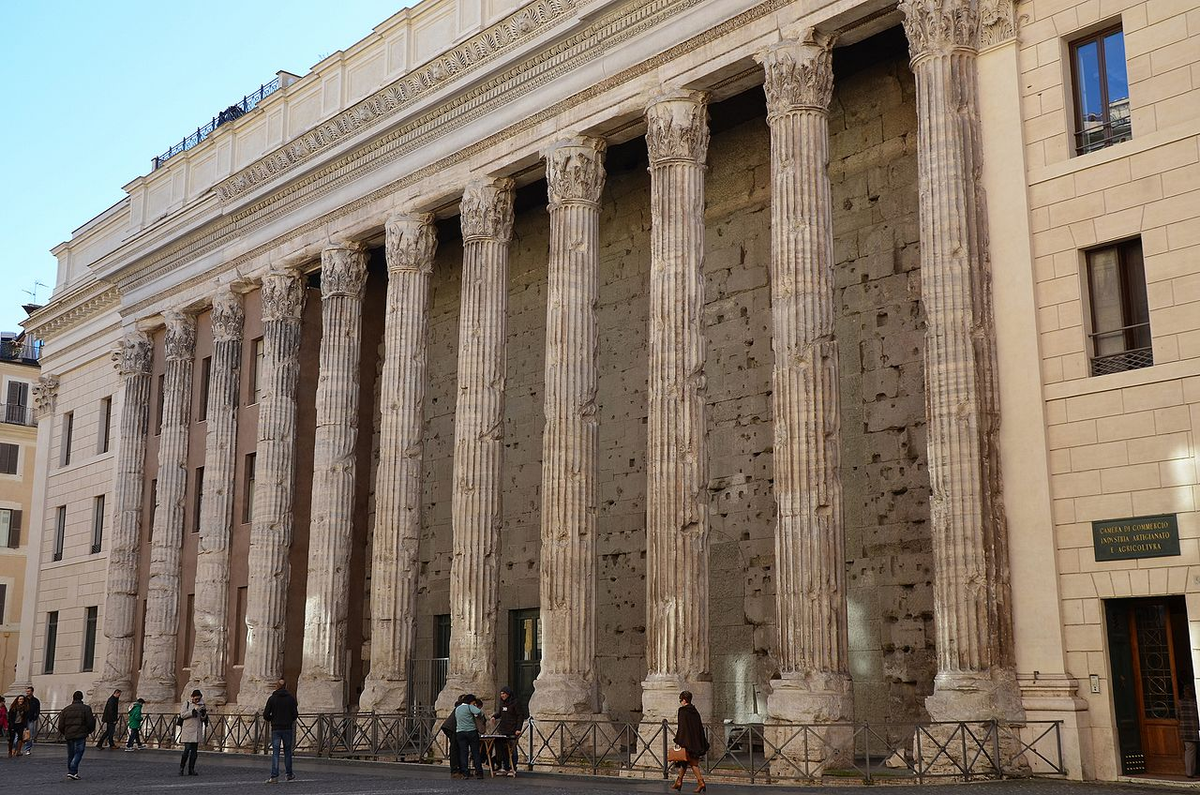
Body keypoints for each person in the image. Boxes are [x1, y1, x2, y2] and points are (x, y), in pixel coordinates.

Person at [263, 678, 299, 783]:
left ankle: (274, 776)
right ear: (286, 687)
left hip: (276, 728)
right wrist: (289, 720)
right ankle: (289, 774)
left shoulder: (272, 699)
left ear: (276, 686)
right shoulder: (291, 699)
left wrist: (272, 719)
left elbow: (266, 714)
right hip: (287, 728)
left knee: (276, 752)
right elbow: (295, 715)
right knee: (288, 752)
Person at [672, 691, 708, 793]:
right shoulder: (694, 711)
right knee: (684, 762)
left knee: (693, 763)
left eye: (681, 700)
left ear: (684, 700)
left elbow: (682, 727)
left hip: (687, 741)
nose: (680, 702)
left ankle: (701, 783)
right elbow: (698, 727)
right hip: (695, 741)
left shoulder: (683, 711)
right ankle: (678, 781)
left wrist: (678, 740)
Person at [60, 691, 96, 781]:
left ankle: (72, 772)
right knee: (79, 752)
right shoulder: (86, 708)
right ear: (82, 698)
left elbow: (61, 724)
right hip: (81, 733)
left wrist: (65, 732)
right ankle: (72, 770)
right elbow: (90, 722)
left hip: (69, 734)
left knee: (71, 754)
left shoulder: (66, 709)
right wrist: (88, 731)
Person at [492, 686, 524, 777]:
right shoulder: (502, 703)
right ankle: (505, 766)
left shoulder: (515, 702)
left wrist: (518, 728)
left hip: (513, 729)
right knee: (504, 749)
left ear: (508, 694)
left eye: (504, 694)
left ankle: (512, 767)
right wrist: (494, 716)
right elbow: (500, 713)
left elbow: (520, 716)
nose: (502, 695)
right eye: (501, 694)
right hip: (504, 729)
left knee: (513, 749)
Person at [453, 692, 486, 779]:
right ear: (471, 701)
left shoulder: (458, 708)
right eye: (474, 702)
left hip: (460, 732)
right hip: (471, 731)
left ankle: (465, 773)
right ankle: (479, 772)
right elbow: (479, 712)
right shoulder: (469, 707)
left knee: (463, 753)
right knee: (475, 752)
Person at [178, 689, 207, 776]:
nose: (197, 700)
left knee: (194, 752)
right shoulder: (187, 703)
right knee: (187, 750)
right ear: (192, 697)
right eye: (196, 699)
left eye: (199, 699)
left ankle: (191, 769)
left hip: (196, 731)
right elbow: (182, 715)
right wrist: (193, 711)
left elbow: (203, 719)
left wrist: (203, 714)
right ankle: (181, 768)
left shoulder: (202, 704)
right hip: (188, 730)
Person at [441, 695, 466, 778]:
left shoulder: (458, 707)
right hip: (453, 728)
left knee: (455, 749)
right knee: (454, 749)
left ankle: (457, 769)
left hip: (450, 728)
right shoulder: (461, 708)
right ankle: (455, 770)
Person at [1181, 685, 1199, 778]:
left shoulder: (1180, 704)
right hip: (1196, 728)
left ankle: (1190, 772)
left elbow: (1177, 715)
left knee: (1189, 751)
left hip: (1187, 731)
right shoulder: (1196, 703)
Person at [22, 687, 40, 756]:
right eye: (27, 691)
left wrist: (35, 716)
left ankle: (27, 749)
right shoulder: (24, 700)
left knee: (29, 735)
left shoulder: (35, 700)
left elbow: (37, 710)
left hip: (30, 719)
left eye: (29, 691)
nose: (27, 692)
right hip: (23, 719)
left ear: (32, 692)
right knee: (19, 735)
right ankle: (17, 749)